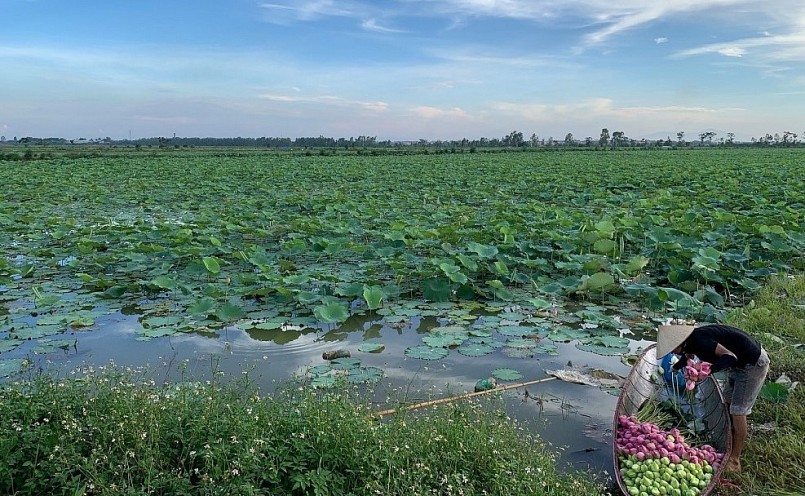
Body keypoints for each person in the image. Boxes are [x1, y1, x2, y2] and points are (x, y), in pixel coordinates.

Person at [656, 323, 770, 473]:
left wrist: (706, 371)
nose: (674, 353)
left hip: (752, 364)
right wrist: (675, 367)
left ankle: (735, 459)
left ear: (679, 343)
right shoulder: (690, 341)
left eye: (673, 350)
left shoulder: (700, 342)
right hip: (740, 364)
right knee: (728, 402)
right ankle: (728, 437)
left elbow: (730, 357)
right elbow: (686, 356)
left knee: (738, 411)